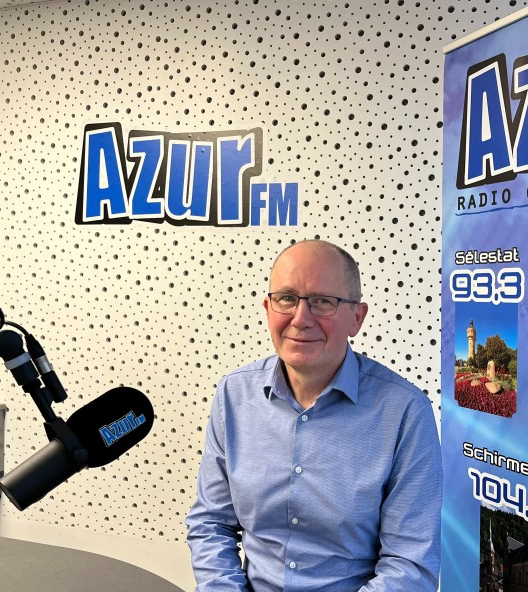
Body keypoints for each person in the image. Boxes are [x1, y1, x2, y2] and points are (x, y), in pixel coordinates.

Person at [185, 240, 442, 592]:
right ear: (268, 308)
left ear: (357, 318)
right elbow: (211, 524)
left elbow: (410, 564)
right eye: (286, 298)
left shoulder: (406, 413)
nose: (301, 319)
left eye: (322, 301)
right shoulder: (233, 396)